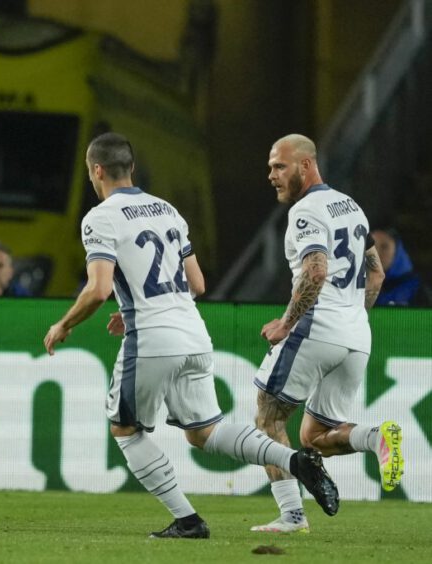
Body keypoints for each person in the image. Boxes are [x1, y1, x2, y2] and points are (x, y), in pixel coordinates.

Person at [43, 132, 339, 539]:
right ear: (131, 168)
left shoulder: (100, 217)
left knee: (126, 430)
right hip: (193, 331)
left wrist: (64, 324)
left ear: (96, 170)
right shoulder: (167, 210)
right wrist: (138, 309)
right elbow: (197, 283)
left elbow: (97, 289)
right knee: (205, 432)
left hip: (152, 338)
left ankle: (188, 520)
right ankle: (296, 461)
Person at [251, 134, 400, 534]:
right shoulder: (351, 207)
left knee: (267, 416)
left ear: (305, 165)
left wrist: (286, 323)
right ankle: (375, 438)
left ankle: (292, 515)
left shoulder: (306, 211)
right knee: (314, 436)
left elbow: (316, 271)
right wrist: (351, 318)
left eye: (279, 166)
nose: (271, 175)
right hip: (357, 335)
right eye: (270, 167)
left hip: (317, 328)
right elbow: (376, 274)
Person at [370, 227, 431, 306]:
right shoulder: (360, 286)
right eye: (370, 247)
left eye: (384, 246)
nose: (376, 252)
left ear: (398, 249)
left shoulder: (419, 290)